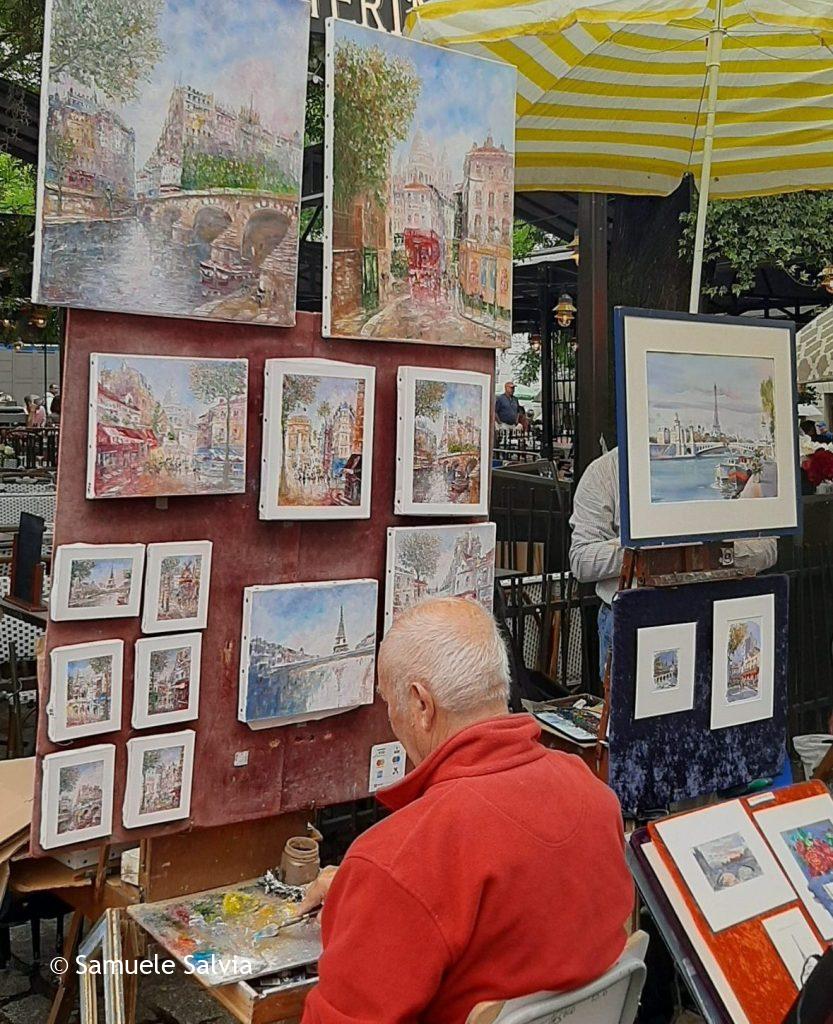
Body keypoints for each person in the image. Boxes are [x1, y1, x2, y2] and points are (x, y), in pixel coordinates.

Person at [299, 598, 633, 1024]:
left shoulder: (400, 858)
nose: (390, 719)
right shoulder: (593, 796)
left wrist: (369, 894)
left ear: (421, 705)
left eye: (389, 702)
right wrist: (359, 891)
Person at [569, 447, 778, 680]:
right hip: (634, 621)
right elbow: (582, 561)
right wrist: (647, 545)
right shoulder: (604, 471)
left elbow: (767, 549)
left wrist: (707, 550)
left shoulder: (731, 470)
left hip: (717, 619)